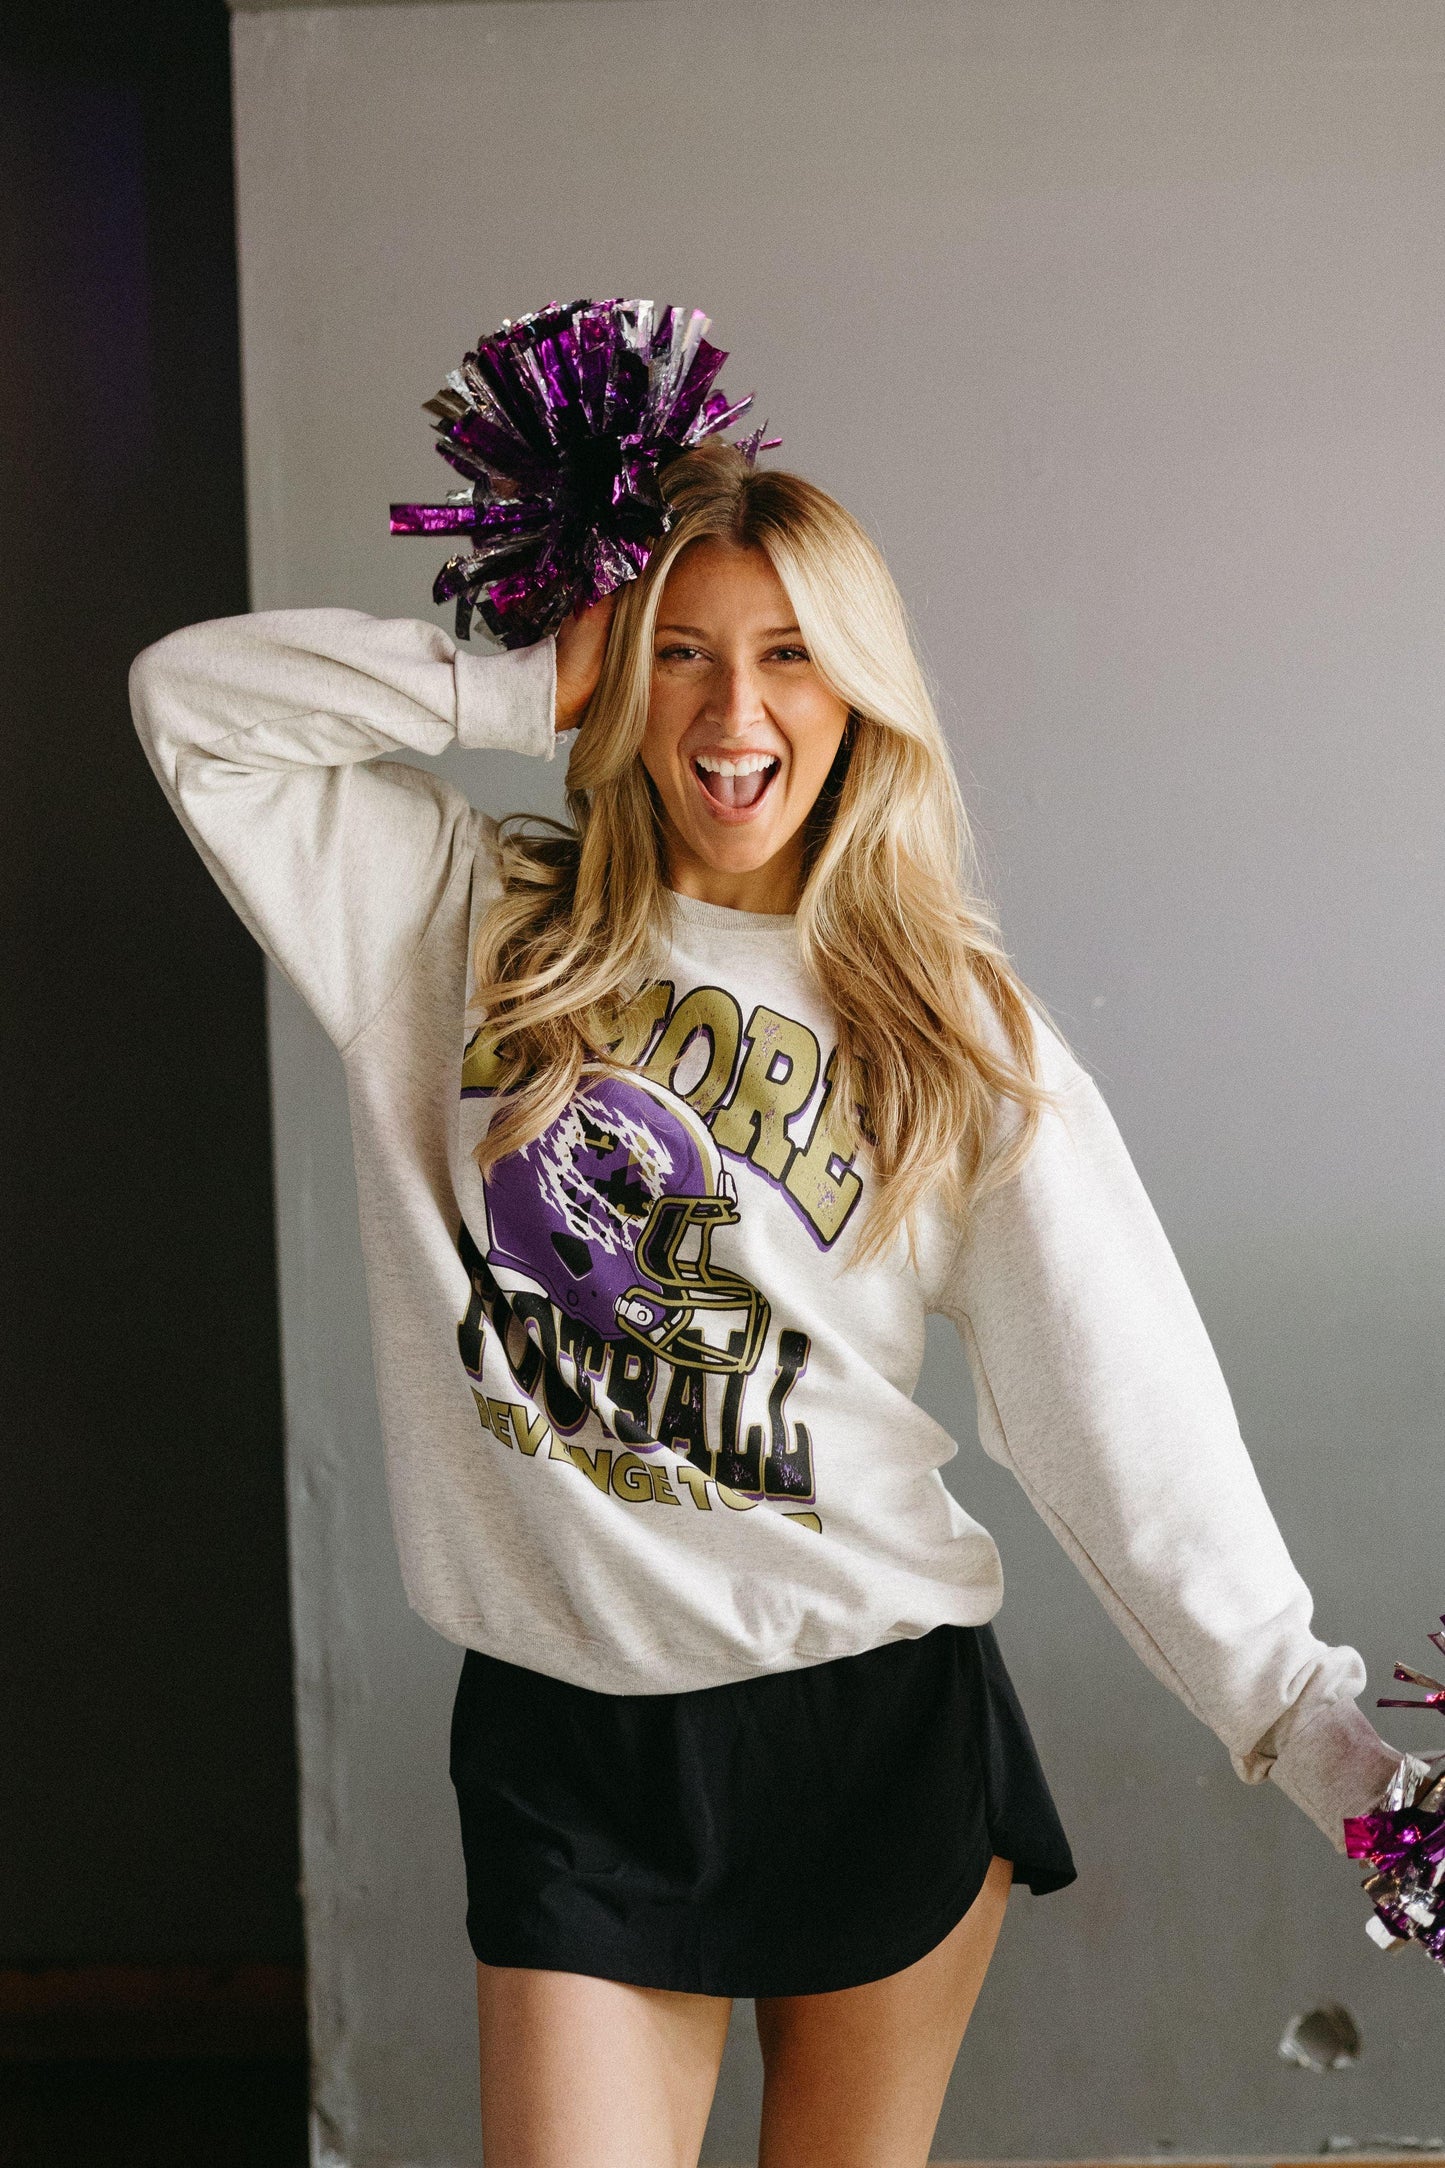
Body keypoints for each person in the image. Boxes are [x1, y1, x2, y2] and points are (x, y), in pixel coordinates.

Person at [130, 440, 1402, 2168]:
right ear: (617, 670)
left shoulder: (944, 1021)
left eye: (790, 654)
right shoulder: (452, 921)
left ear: (858, 690)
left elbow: (1119, 1408)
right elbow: (192, 706)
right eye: (683, 651)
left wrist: (1321, 1746)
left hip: (864, 1719)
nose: (736, 710)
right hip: (567, 1732)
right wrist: (513, 684)